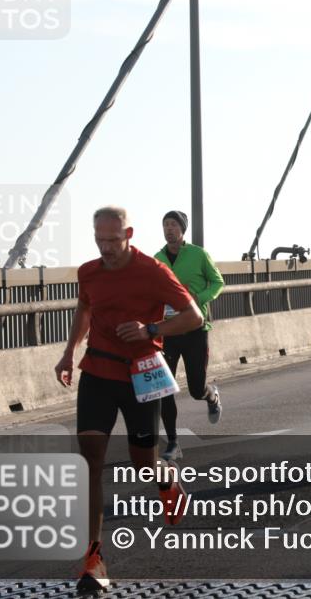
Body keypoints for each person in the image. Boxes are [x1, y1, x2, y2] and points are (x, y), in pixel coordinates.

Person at [54, 207, 200, 594]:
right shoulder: (88, 272)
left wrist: (150, 329)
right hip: (97, 371)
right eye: (99, 240)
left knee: (143, 466)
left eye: (112, 240)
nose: (105, 248)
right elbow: (85, 308)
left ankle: (166, 478)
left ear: (129, 234)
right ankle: (93, 559)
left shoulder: (153, 271)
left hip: (140, 376)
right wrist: (69, 353)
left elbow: (193, 317)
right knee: (90, 462)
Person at [155, 210, 226, 461]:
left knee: (196, 389)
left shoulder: (198, 254)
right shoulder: (157, 259)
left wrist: (199, 298)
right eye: (165, 225)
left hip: (196, 330)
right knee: (165, 389)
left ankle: (211, 395)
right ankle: (173, 443)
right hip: (168, 331)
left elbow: (217, 282)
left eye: (173, 225)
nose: (169, 229)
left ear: (182, 229)